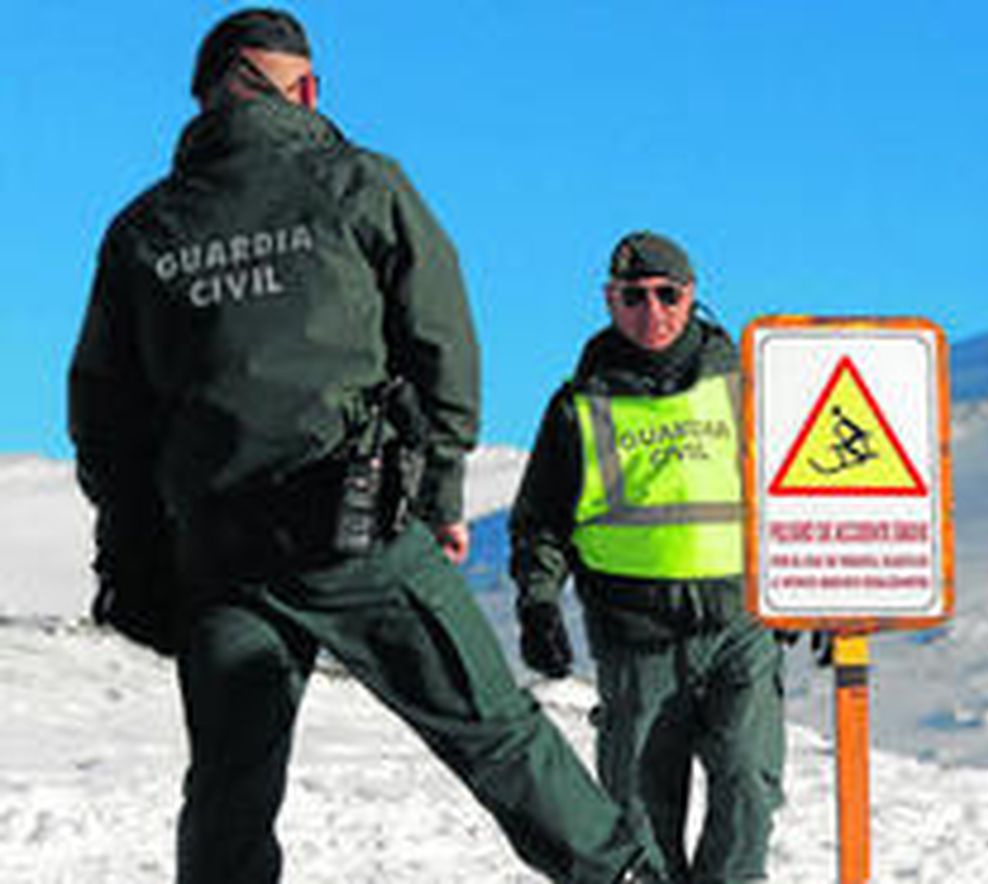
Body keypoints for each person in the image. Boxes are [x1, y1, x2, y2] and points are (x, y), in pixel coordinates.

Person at [68, 9, 660, 882]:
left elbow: (104, 418)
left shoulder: (144, 230)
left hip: (221, 555)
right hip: (356, 532)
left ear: (204, 99)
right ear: (303, 89)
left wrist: (134, 547)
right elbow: (441, 342)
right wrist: (440, 493)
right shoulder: (358, 184)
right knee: (494, 732)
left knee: (231, 791)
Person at [511, 231, 786, 882]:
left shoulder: (746, 387)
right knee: (638, 816)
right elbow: (542, 520)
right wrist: (538, 603)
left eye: (668, 294)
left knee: (747, 788)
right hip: (635, 638)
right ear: (610, 300)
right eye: (634, 296)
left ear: (692, 296)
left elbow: (797, 488)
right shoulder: (579, 405)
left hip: (740, 626)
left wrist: (813, 593)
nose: (652, 310)